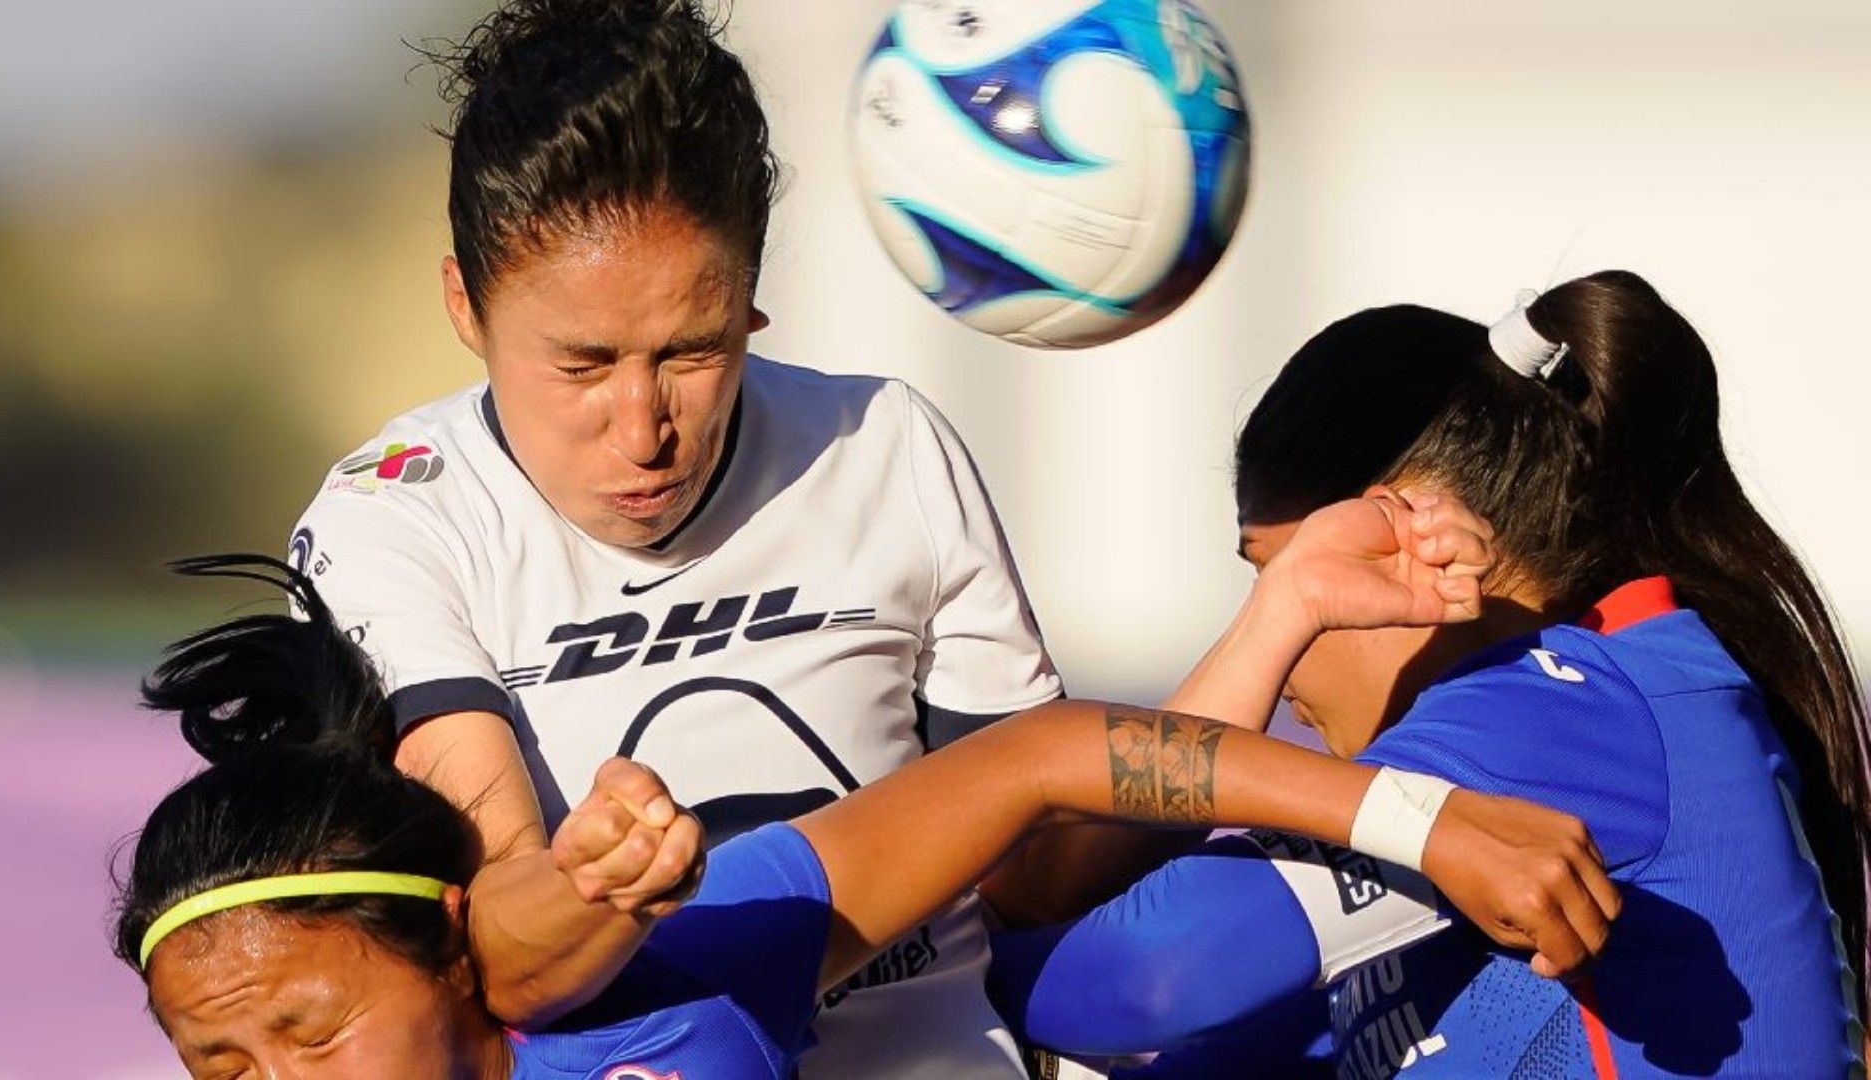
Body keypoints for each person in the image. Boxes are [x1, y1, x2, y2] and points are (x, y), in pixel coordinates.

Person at [116, 492, 1619, 1079]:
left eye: (306, 1033)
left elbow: (1036, 764)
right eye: (223, 1071)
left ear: (454, 949)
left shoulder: (681, 975)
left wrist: (1411, 810)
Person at [286, 2, 1066, 1073]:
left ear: (749, 302)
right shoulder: (389, 521)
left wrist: (1271, 639)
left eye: (691, 352)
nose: (646, 429)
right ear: (465, 307)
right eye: (585, 364)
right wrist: (595, 884)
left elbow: (1039, 872)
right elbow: (503, 956)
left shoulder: (886, 444)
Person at [986, 271, 1870, 1077]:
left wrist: (925, 957)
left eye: (1279, 573)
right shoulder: (1594, 699)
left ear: (1402, 533)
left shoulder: (1556, 708)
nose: (1278, 636)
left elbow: (1147, 976)